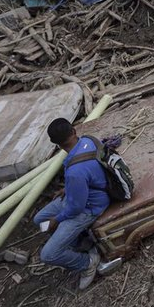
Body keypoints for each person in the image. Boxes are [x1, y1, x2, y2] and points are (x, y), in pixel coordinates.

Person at [33, 119, 110, 290]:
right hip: (79, 195)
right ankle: (83, 243)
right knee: (39, 220)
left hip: (89, 207)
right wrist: (68, 189)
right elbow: (89, 174)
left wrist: (58, 219)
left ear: (56, 145)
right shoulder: (88, 140)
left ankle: (87, 263)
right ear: (74, 131)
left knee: (48, 255)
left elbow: (76, 208)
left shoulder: (75, 172)